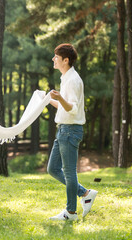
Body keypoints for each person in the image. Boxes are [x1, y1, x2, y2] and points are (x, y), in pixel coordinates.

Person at [47, 43, 97, 221]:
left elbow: (73, 109)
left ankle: (71, 213)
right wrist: (45, 99)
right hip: (63, 129)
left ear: (65, 60)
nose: (53, 59)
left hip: (70, 131)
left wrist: (59, 97)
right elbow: (63, 107)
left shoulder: (73, 80)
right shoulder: (66, 77)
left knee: (69, 172)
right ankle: (85, 193)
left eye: (56, 57)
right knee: (52, 169)